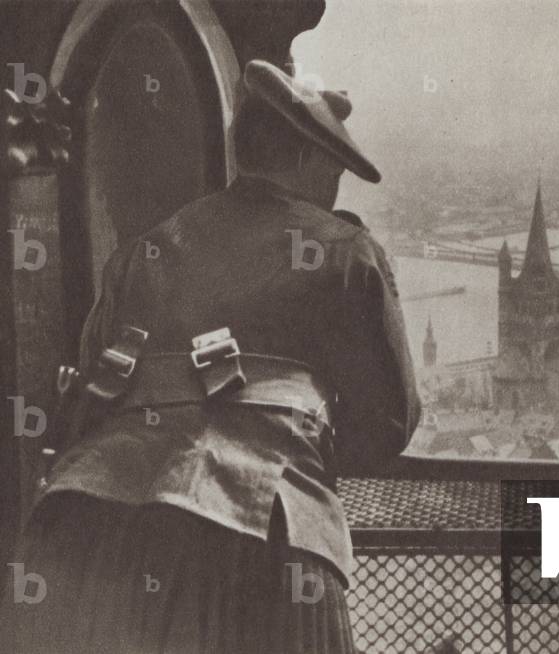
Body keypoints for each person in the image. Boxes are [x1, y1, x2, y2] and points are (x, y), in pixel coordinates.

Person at [1, 60, 420, 654]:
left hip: (83, 527)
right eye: (333, 169)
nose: (332, 190)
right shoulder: (347, 254)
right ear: (304, 160)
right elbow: (387, 428)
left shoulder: (142, 251)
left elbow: (92, 391)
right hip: (258, 537)